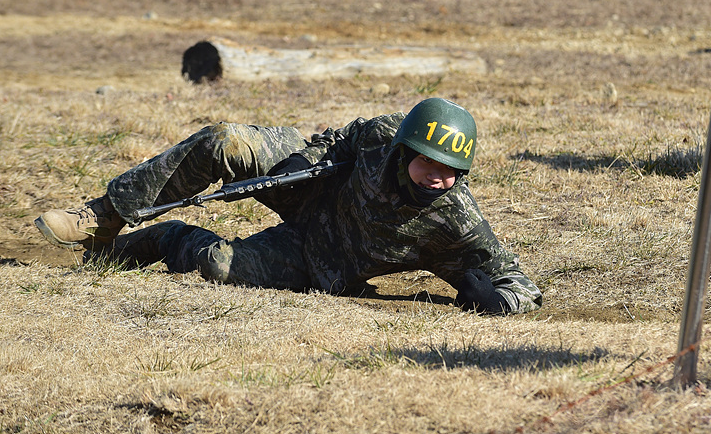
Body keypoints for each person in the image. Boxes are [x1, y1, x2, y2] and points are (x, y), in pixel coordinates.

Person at [35, 98, 543, 315]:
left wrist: (498, 301)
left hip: (316, 255)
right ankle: (102, 216)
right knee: (225, 142)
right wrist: (307, 157)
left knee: (218, 266)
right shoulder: (386, 134)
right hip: (309, 182)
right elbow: (346, 138)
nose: (441, 176)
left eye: (452, 170)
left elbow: (520, 285)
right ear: (405, 150)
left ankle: (156, 240)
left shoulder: (454, 219)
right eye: (430, 162)